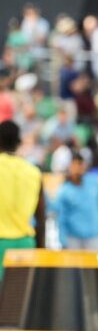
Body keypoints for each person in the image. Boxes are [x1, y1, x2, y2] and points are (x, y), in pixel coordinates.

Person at [0, 120, 42, 281]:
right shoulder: (33, 172)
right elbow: (41, 217)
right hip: (25, 244)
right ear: (18, 143)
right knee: (19, 295)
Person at [50, 150, 98, 250]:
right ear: (70, 167)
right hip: (73, 238)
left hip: (94, 236)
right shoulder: (64, 190)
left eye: (80, 164)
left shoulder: (94, 184)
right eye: (75, 165)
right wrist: (63, 240)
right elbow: (61, 217)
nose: (78, 168)